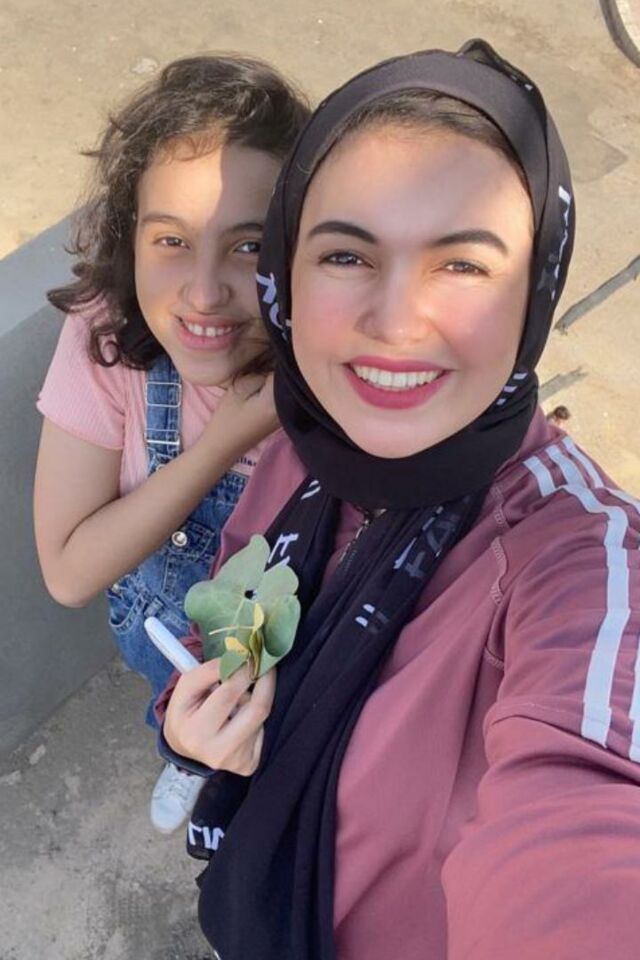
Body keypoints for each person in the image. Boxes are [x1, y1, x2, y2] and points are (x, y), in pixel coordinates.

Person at [158, 41, 640, 959]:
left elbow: (586, 826)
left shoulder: (583, 562)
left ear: (535, 292)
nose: (395, 322)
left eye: (463, 266)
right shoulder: (302, 443)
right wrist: (192, 718)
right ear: (288, 276)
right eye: (346, 254)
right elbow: (233, 612)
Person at [33, 55, 309, 834]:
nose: (205, 292)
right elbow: (68, 571)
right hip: (174, 666)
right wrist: (220, 446)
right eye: (172, 240)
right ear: (131, 239)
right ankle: (186, 760)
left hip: (301, 682)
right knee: (191, 730)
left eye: (249, 247)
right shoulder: (108, 334)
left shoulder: (338, 361)